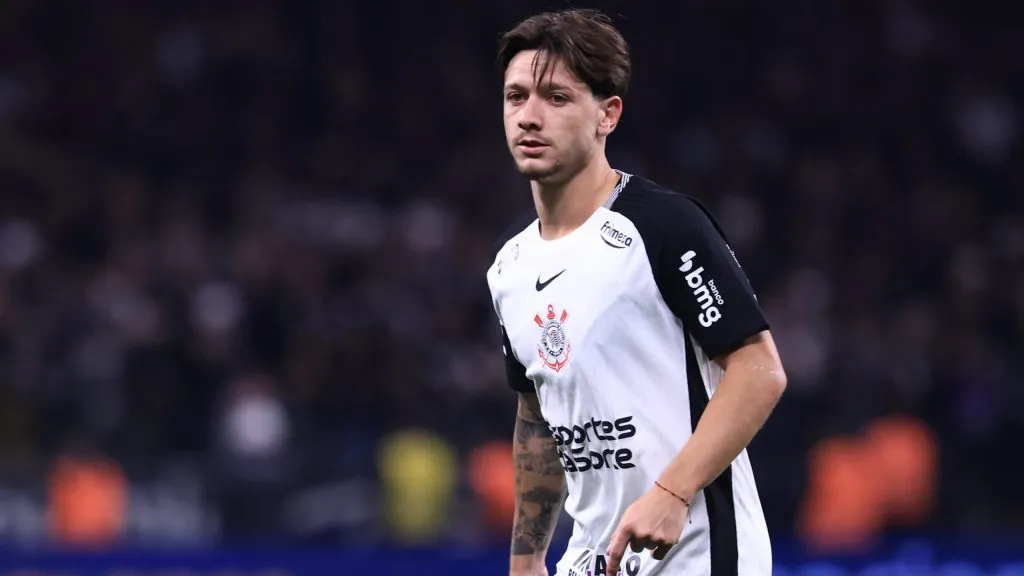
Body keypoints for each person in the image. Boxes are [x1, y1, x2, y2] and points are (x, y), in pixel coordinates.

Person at [486, 9, 788, 576]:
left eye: (556, 98)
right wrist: (526, 560)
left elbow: (759, 370)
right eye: (515, 96)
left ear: (608, 114)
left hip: (697, 553)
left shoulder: (663, 227)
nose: (529, 116)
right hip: (593, 559)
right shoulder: (510, 267)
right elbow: (536, 416)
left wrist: (672, 494)